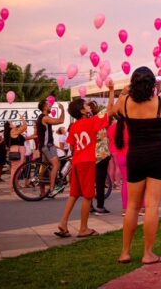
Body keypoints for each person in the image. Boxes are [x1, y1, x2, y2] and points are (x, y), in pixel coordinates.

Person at [110, 69, 161, 265]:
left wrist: (122, 93)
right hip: (158, 155)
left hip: (135, 155)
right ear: (153, 83)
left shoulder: (125, 103)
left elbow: (111, 112)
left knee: (132, 206)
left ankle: (125, 252)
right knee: (152, 206)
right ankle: (148, 254)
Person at [54, 96, 110, 239]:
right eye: (86, 105)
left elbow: (71, 145)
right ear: (82, 110)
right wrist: (111, 91)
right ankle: (83, 228)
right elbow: (110, 110)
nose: (89, 106)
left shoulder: (73, 127)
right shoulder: (91, 122)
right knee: (88, 196)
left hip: (77, 161)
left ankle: (63, 223)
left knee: (73, 194)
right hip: (88, 161)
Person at [35, 99, 66, 198]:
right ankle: (52, 189)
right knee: (56, 165)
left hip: (44, 147)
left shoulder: (42, 118)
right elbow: (60, 121)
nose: (50, 106)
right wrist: (62, 110)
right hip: (48, 146)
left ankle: (42, 192)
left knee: (44, 169)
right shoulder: (45, 118)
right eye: (49, 105)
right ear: (44, 107)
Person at [87, 101, 112, 214]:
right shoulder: (99, 118)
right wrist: (111, 91)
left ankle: (90, 205)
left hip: (90, 155)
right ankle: (100, 206)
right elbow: (110, 106)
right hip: (102, 155)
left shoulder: (85, 122)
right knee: (100, 182)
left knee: (91, 182)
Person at [5, 117, 28, 192]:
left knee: (17, 169)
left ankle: (14, 185)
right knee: (15, 169)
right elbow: (24, 127)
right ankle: (12, 186)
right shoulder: (13, 131)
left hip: (17, 149)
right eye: (11, 122)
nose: (13, 123)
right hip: (17, 150)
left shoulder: (13, 131)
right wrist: (23, 119)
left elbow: (23, 129)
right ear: (9, 126)